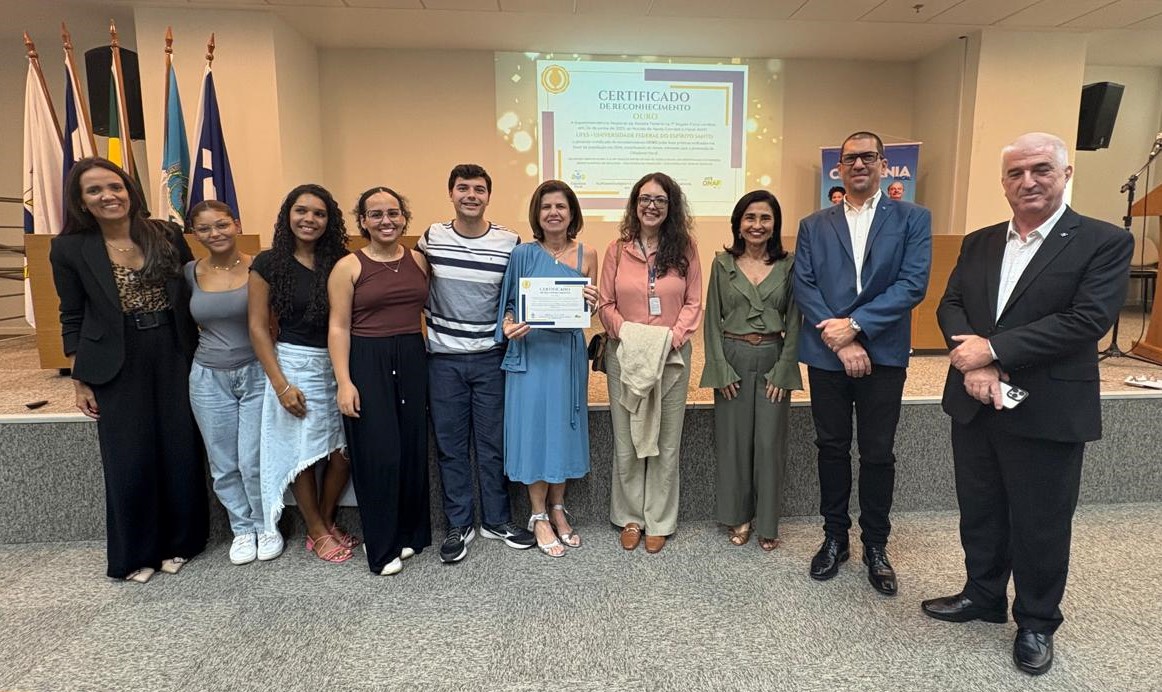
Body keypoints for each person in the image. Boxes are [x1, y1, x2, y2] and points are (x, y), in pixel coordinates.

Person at [923, 132, 1133, 675]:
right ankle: (984, 596)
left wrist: (992, 352)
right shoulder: (980, 241)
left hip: (1046, 407)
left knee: (1040, 520)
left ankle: (1037, 621)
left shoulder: (1102, 241)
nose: (1028, 182)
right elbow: (951, 304)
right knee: (982, 507)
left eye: (1041, 169)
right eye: (1015, 173)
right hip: (974, 400)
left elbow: (1086, 320)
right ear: (1003, 183)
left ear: (1065, 175)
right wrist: (975, 361)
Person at [49, 157, 208, 583]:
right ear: (81, 201)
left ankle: (182, 542)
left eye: (114, 187)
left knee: (179, 447)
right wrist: (79, 377)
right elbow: (72, 314)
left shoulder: (167, 234)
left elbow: (197, 289)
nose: (108, 196)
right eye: (95, 190)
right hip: (117, 359)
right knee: (129, 456)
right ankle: (136, 552)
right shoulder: (69, 248)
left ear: (129, 191)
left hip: (174, 350)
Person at [794, 131, 931, 595]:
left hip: (883, 352)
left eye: (867, 157)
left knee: (877, 452)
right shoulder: (814, 224)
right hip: (827, 354)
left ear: (884, 164)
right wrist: (839, 339)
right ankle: (835, 537)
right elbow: (805, 287)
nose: (858, 164)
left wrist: (855, 327)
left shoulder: (912, 218)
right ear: (838, 167)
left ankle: (875, 544)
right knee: (830, 447)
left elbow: (913, 285)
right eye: (849, 158)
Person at [418, 163, 535, 563]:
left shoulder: (510, 241)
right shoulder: (431, 237)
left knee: (492, 445)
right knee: (451, 447)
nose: (471, 195)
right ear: (450, 192)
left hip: (490, 358)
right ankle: (459, 524)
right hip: (443, 361)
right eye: (463, 188)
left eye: (479, 189)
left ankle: (497, 520)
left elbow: (517, 296)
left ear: (489, 196)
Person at [328, 187, 431, 576]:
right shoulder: (348, 266)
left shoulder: (418, 260)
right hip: (367, 359)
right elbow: (338, 327)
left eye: (393, 213)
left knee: (410, 448)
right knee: (379, 454)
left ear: (404, 217)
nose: (386, 221)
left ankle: (409, 534)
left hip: (411, 354)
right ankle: (382, 545)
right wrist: (344, 381)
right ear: (363, 222)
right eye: (376, 215)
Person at [598, 172, 702, 554]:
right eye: (644, 199)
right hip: (625, 353)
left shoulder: (686, 247)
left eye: (660, 199)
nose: (651, 205)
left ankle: (659, 519)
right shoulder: (616, 249)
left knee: (665, 440)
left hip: (671, 355)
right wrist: (627, 334)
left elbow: (694, 302)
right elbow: (605, 304)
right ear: (634, 204)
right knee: (626, 440)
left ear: (670, 206)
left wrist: (670, 340)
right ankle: (630, 517)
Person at [249, 184, 354, 564]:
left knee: (344, 449)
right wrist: (280, 384)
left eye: (319, 213)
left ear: (330, 220)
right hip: (294, 363)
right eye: (302, 211)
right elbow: (259, 328)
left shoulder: (341, 261)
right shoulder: (268, 263)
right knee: (303, 453)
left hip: (338, 362)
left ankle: (324, 521)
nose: (310, 219)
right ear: (287, 215)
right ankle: (315, 528)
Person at [496, 180, 599, 557]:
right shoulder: (523, 253)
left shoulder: (587, 254)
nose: (553, 213)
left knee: (562, 429)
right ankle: (537, 515)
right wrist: (509, 325)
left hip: (567, 355)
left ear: (572, 213)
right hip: (532, 355)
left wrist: (592, 303)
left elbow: (585, 311)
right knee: (535, 431)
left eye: (561, 206)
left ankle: (558, 508)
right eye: (546, 207)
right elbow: (508, 305)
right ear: (537, 215)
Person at [700, 190, 802, 552]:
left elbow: (796, 319)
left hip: (774, 356)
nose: (757, 225)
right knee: (733, 443)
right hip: (733, 357)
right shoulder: (721, 264)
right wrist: (720, 368)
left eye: (765, 218)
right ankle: (737, 516)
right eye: (750, 218)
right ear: (738, 224)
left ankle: (769, 522)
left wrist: (784, 369)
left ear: (775, 225)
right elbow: (711, 321)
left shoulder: (790, 265)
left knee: (769, 444)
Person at [185, 200, 282, 565]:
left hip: (257, 371)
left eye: (222, 225)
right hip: (209, 377)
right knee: (223, 462)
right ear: (195, 235)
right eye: (206, 228)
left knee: (253, 458)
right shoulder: (189, 273)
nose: (216, 233)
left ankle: (266, 524)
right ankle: (242, 528)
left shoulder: (262, 266)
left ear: (237, 224)